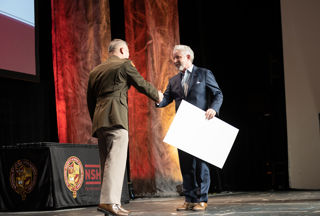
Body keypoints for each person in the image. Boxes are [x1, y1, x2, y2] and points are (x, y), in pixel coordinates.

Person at [87, 39, 163, 216]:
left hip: (100, 120)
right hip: (116, 118)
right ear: (122, 50)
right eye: (127, 52)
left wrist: (96, 120)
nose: (128, 55)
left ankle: (113, 202)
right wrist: (158, 96)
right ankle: (108, 202)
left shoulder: (95, 71)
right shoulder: (124, 64)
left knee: (107, 162)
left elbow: (90, 101)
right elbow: (141, 84)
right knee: (116, 161)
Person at [157, 45, 223, 211]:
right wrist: (158, 99)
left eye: (177, 57)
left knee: (201, 164)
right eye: (174, 58)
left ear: (188, 57)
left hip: (201, 124)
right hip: (183, 126)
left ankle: (202, 199)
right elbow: (165, 100)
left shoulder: (203, 73)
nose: (175, 61)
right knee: (186, 165)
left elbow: (218, 94)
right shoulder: (173, 81)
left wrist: (213, 108)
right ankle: (190, 199)